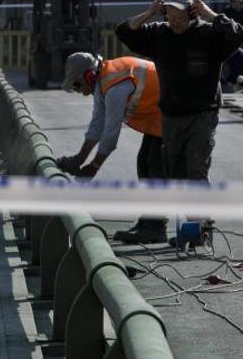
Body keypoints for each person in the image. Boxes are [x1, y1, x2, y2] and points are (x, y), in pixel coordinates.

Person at [115, 0, 243, 186]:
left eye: (179, 17)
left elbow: (238, 35)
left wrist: (209, 14)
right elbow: (124, 31)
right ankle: (185, 213)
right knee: (174, 169)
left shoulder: (209, 35)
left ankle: (200, 216)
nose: (174, 22)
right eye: (170, 17)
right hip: (171, 115)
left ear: (192, 13)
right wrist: (150, 13)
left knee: (196, 167)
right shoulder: (160, 34)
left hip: (203, 114)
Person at [56, 52, 167, 243]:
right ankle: (148, 222)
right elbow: (96, 126)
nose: (80, 91)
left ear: (89, 75)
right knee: (144, 163)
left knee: (154, 165)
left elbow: (110, 133)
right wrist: (78, 160)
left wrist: (94, 167)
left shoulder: (114, 84)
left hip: (173, 110)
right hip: (159, 114)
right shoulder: (102, 84)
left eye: (77, 84)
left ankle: (156, 228)